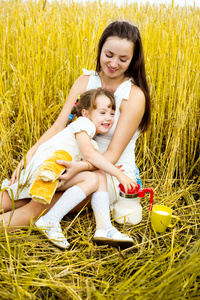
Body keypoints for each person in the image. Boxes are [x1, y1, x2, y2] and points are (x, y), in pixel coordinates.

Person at [0, 20, 151, 245]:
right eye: (108, 54)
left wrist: (78, 167)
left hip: (108, 171)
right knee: (13, 194)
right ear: (100, 49)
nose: (113, 63)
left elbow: (112, 155)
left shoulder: (134, 96)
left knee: (38, 202)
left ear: (133, 60)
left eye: (123, 59)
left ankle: (34, 218)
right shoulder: (85, 82)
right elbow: (59, 126)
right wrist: (29, 157)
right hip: (72, 158)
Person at [1, 88, 136, 248]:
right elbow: (90, 155)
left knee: (98, 175)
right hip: (47, 172)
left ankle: (104, 227)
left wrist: (108, 167)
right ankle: (51, 220)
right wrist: (119, 174)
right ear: (85, 113)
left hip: (46, 171)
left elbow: (91, 159)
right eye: (102, 112)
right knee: (93, 178)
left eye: (112, 113)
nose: (108, 118)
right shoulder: (84, 125)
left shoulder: (86, 136)